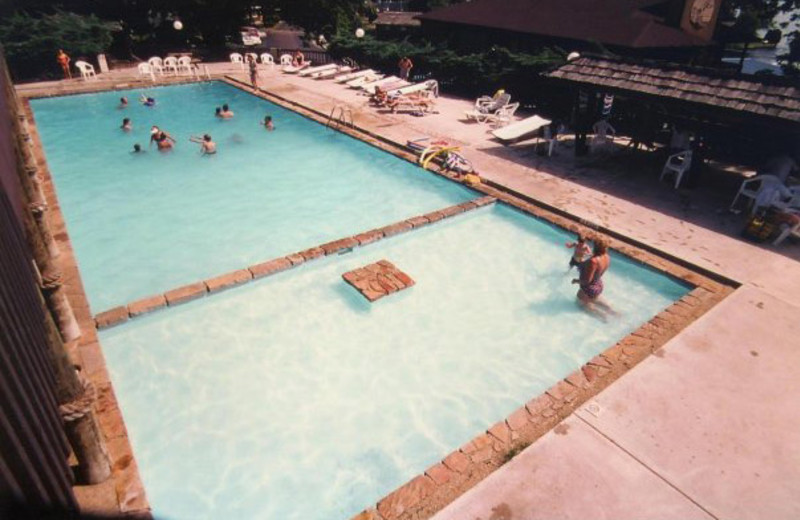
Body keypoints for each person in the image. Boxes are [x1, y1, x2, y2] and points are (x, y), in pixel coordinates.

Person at [572, 238, 616, 319]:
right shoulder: (606, 257)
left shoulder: (593, 262)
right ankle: (615, 314)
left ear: (595, 247)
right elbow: (598, 272)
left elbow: (586, 281)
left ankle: (604, 318)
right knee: (594, 299)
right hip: (598, 284)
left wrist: (576, 281)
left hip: (588, 289)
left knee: (582, 305)